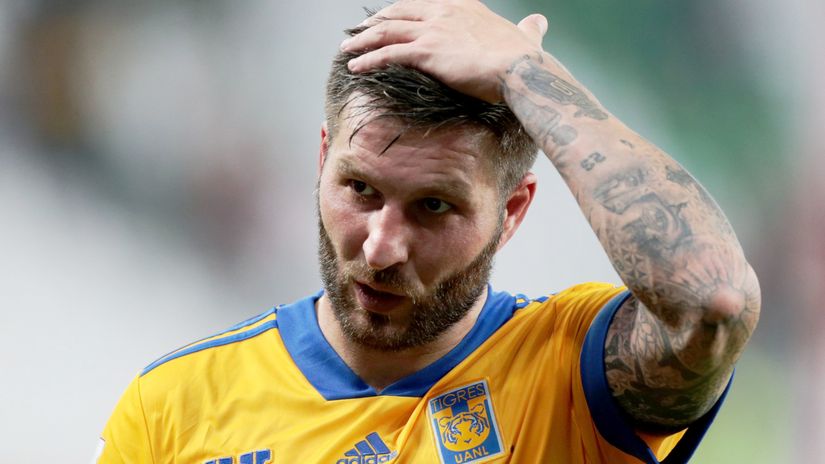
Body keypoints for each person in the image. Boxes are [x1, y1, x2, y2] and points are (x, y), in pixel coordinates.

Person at [97, 1, 761, 463]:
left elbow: (711, 301)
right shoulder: (175, 405)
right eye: (359, 189)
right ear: (322, 158)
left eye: (434, 208)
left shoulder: (567, 373)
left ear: (513, 211)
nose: (381, 247)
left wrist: (527, 75)